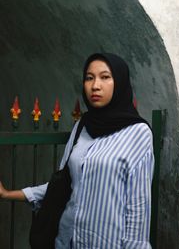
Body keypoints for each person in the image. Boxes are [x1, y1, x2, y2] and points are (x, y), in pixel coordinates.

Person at [0, 52, 154, 248]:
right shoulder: (83, 125)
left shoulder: (138, 133)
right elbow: (64, 185)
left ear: (120, 82)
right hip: (65, 241)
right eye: (89, 78)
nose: (95, 86)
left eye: (105, 77)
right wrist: (8, 194)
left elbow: (138, 207)